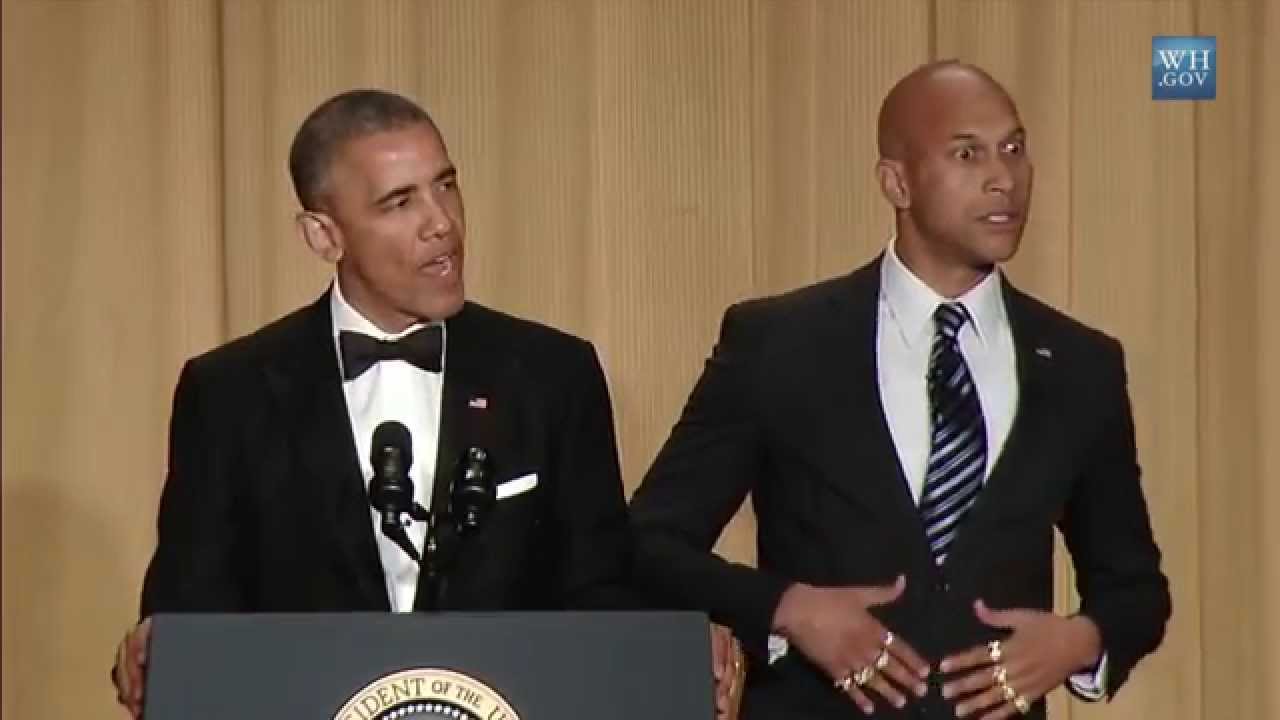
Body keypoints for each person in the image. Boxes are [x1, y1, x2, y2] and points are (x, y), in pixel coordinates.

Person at [628, 61, 1171, 719]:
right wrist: (788, 610)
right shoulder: (779, 344)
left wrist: (1079, 641)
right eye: (967, 153)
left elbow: (1134, 586)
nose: (1004, 178)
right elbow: (648, 543)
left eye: (1015, 149)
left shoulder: (1081, 365)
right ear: (897, 181)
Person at [112, 89, 674, 716]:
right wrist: (157, 648)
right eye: (400, 202)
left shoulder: (552, 374)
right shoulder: (229, 393)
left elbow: (603, 595)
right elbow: (193, 614)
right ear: (324, 235)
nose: (442, 223)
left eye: (446, 186)